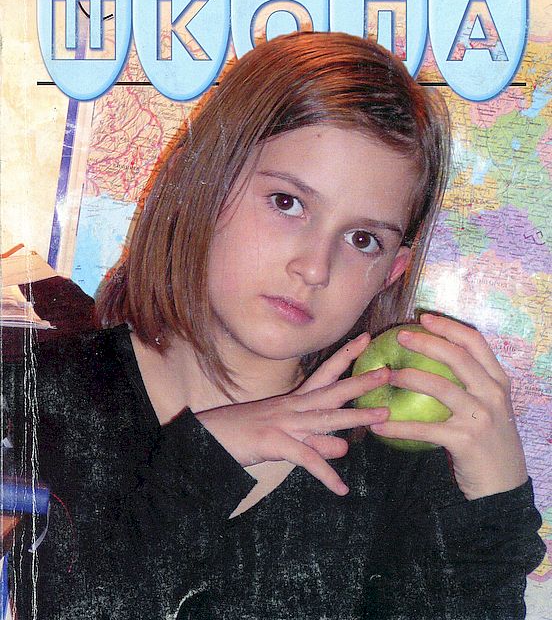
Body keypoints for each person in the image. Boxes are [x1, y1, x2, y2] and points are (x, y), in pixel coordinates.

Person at [5, 32, 544, 619]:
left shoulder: (401, 473)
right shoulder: (31, 396)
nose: (314, 267)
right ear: (200, 183)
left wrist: (495, 504)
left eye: (363, 239)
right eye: (287, 202)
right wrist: (203, 467)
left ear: (392, 271)